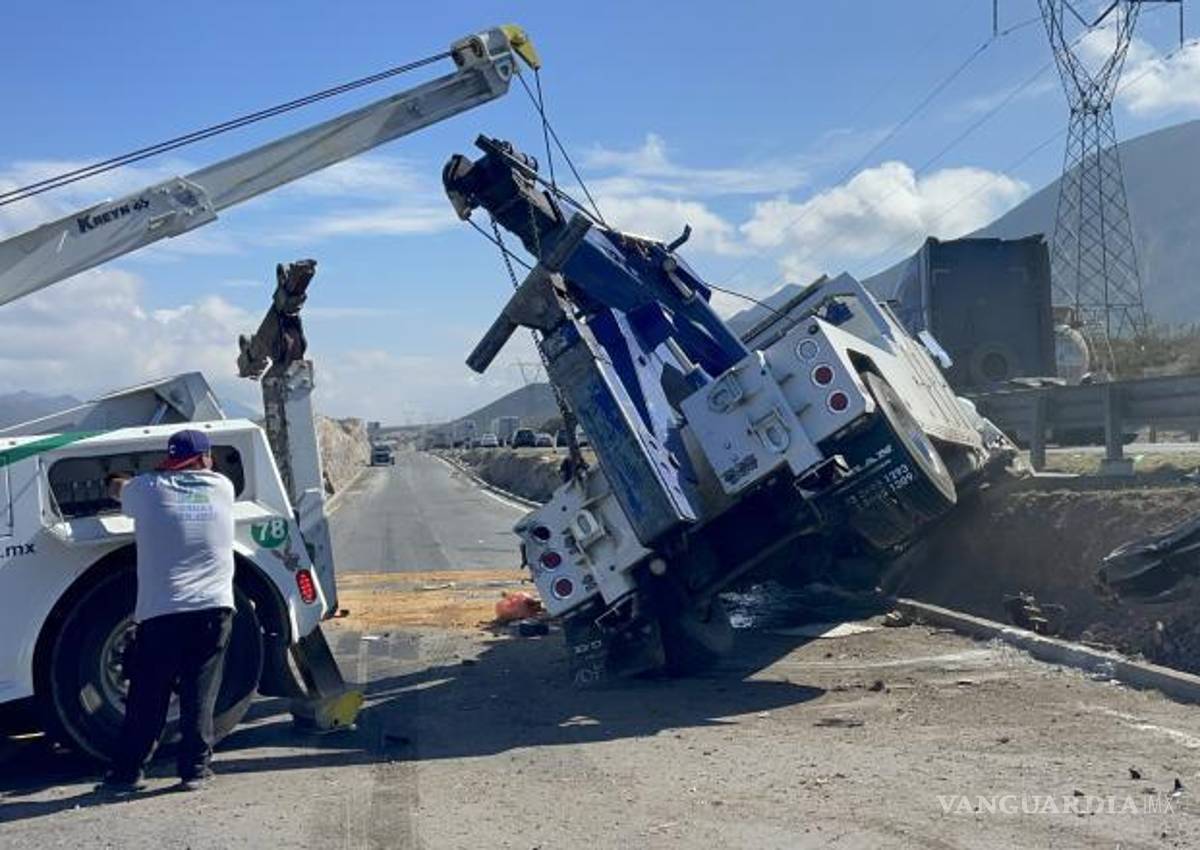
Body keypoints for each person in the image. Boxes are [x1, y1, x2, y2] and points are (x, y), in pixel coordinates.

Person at [100, 428, 237, 793]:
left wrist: (114, 477)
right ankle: (194, 772)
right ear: (206, 459)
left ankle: (127, 775)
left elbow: (116, 489)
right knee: (199, 694)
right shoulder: (223, 487)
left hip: (162, 613)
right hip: (214, 610)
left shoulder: (146, 490)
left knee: (148, 696)